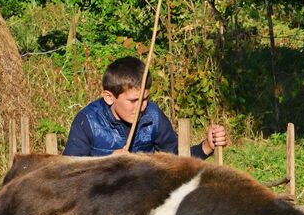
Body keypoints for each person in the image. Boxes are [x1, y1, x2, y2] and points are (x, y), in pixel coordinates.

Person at [64, 56, 229, 159]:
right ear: (109, 97)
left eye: (145, 99)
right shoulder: (88, 121)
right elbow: (69, 176)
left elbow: (177, 161)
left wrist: (207, 146)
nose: (141, 107)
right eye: (133, 101)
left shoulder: (152, 115)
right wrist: (107, 164)